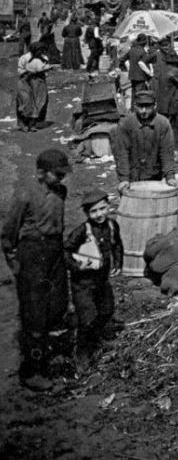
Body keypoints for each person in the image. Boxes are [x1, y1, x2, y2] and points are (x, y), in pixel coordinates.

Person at [1, 149, 72, 391]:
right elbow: (9, 231)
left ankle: (50, 355)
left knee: (58, 305)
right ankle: (32, 372)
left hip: (54, 251)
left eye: (63, 174)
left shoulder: (61, 191)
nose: (61, 179)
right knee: (34, 314)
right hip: (32, 254)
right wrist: (13, 260)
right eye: (56, 174)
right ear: (41, 173)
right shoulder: (25, 196)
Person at [63, 189, 123, 370]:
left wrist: (118, 262)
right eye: (94, 212)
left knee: (106, 310)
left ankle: (98, 340)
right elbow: (65, 251)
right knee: (87, 319)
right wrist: (76, 266)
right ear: (87, 214)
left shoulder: (112, 226)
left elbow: (118, 244)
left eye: (103, 209)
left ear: (109, 207)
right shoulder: (82, 231)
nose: (99, 215)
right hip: (82, 284)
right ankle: (82, 353)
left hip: (101, 281)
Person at [112, 90, 178, 192]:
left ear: (155, 105)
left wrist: (170, 176)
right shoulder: (125, 123)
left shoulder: (163, 123)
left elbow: (167, 152)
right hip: (132, 176)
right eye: (140, 106)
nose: (143, 110)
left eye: (147, 107)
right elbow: (121, 153)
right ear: (134, 105)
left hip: (156, 175)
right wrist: (124, 178)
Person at [16, 42, 52, 132]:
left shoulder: (44, 58)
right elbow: (19, 69)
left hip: (39, 82)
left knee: (39, 101)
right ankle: (23, 124)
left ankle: (33, 124)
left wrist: (46, 69)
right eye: (39, 50)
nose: (40, 52)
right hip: (26, 81)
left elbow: (45, 69)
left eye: (42, 50)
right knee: (25, 101)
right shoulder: (25, 58)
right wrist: (27, 71)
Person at [126, 33, 155, 106]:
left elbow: (123, 59)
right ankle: (138, 110)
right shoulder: (142, 51)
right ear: (144, 42)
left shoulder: (131, 50)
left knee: (133, 93)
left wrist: (129, 67)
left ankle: (132, 109)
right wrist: (149, 73)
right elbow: (142, 64)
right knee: (140, 95)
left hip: (132, 76)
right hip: (141, 76)